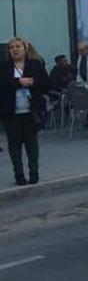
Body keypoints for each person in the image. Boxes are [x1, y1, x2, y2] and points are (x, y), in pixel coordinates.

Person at [1, 38, 48, 186]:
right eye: (12, 47)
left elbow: (46, 83)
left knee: (31, 142)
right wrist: (18, 82)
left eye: (18, 47)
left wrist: (33, 82)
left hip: (30, 110)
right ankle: (19, 174)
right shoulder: (4, 66)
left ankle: (34, 172)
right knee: (14, 144)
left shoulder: (35, 64)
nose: (15, 49)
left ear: (25, 49)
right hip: (11, 112)